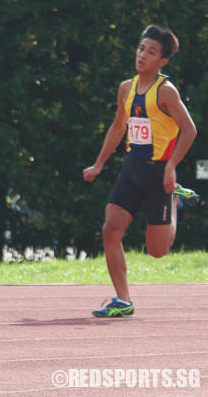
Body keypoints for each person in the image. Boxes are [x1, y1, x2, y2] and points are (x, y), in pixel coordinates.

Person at [83, 24, 198, 318]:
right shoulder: (126, 88)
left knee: (157, 251)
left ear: (162, 61)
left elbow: (189, 130)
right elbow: (119, 127)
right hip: (131, 169)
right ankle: (123, 300)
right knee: (110, 230)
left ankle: (174, 201)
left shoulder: (166, 92)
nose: (142, 55)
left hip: (159, 174)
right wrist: (98, 164)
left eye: (151, 52)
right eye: (141, 48)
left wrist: (171, 167)